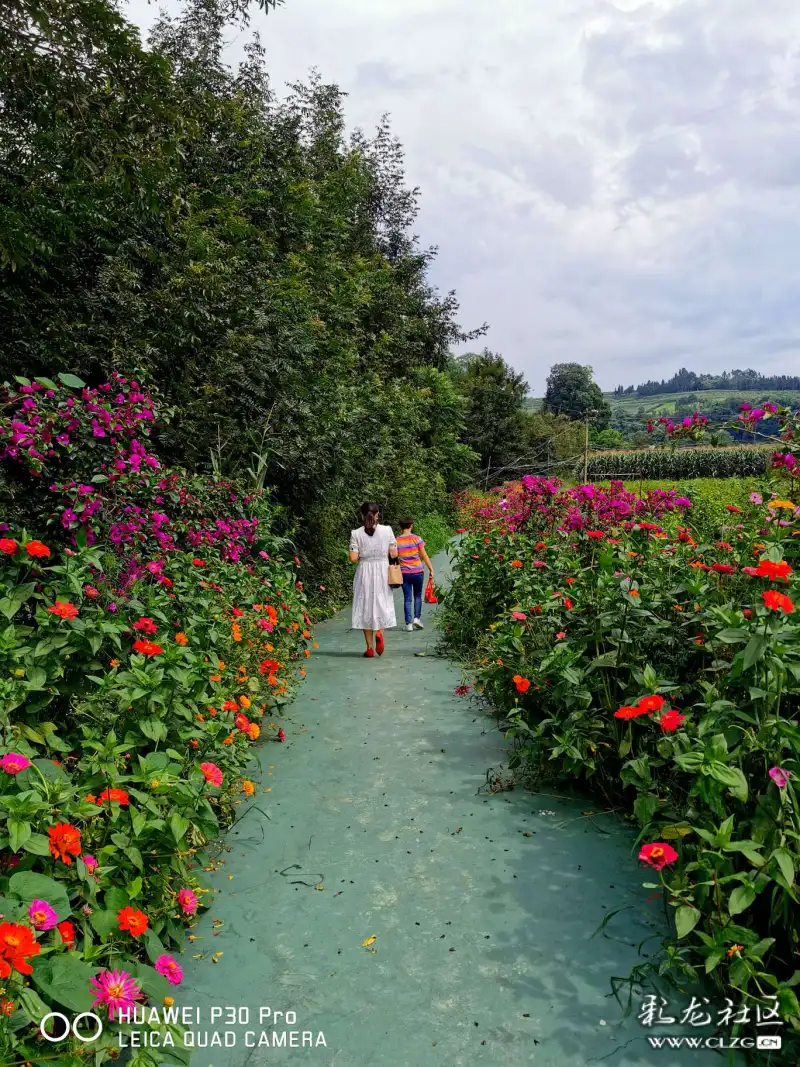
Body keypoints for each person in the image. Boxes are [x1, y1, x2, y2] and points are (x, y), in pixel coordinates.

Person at [349, 503, 398, 657]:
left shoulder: (356, 533)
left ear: (362, 515)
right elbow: (394, 554)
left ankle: (369, 648)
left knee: (365, 605)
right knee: (383, 602)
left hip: (365, 571)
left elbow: (353, 558)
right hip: (383, 570)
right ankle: (380, 634)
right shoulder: (387, 530)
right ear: (377, 514)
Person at [396, 517, 434, 632]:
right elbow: (425, 555)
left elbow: (393, 556)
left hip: (404, 573)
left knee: (407, 598)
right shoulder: (417, 539)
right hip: (418, 571)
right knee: (417, 595)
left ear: (401, 526)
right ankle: (417, 618)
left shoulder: (396, 540)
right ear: (411, 525)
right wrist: (431, 569)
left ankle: (408, 625)